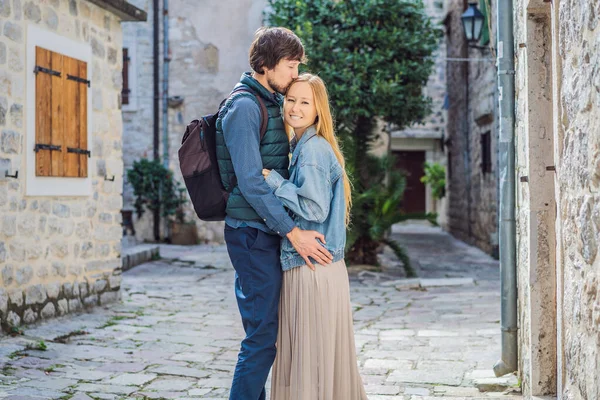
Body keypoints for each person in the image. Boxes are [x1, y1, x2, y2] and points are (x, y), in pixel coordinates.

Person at [216, 28, 334, 400]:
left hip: (262, 230)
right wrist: (292, 232)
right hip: (250, 234)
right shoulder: (245, 107)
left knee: (267, 333)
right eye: (290, 65)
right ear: (266, 65)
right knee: (262, 335)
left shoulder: (267, 99)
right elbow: (251, 183)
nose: (295, 73)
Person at [263, 73, 368, 400]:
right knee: (321, 365)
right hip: (319, 268)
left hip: (311, 268)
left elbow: (313, 206)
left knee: (310, 366)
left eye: (304, 102)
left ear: (318, 109)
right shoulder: (308, 147)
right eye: (290, 99)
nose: (294, 107)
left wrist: (275, 182)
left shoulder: (312, 151)